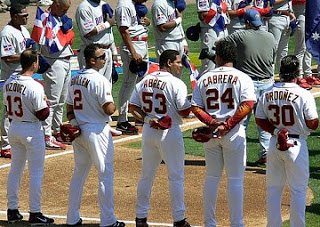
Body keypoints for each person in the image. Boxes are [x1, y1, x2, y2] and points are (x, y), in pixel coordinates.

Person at [191, 40, 255, 227]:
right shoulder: (242, 77)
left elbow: (195, 107)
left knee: (212, 178)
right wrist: (226, 125)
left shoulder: (204, 77)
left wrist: (212, 123)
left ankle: (209, 223)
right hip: (234, 134)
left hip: (211, 135)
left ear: (217, 56)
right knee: (235, 180)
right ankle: (237, 224)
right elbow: (247, 105)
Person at [128, 49, 191, 227]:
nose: (181, 66)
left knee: (146, 176)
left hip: (149, 131)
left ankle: (140, 218)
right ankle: (179, 219)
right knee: (176, 177)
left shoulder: (145, 80)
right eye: (178, 62)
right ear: (169, 63)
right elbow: (184, 112)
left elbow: (133, 106)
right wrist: (192, 104)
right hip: (170, 133)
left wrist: (148, 118)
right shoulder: (176, 83)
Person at [255, 55, 319, 227]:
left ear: (280, 72)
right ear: (297, 73)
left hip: (274, 144)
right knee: (298, 190)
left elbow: (260, 119)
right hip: (296, 145)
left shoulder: (268, 93)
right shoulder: (303, 95)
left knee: (274, 189)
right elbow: (313, 124)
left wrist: (276, 130)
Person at [66, 43, 125, 227]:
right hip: (97, 131)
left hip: (79, 132)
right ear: (92, 60)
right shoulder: (100, 80)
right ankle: (108, 221)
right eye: (101, 57)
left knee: (79, 175)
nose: (105, 59)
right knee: (105, 175)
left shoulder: (74, 79)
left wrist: (75, 123)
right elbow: (108, 109)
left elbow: (69, 108)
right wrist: (115, 106)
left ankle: (72, 218)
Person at [4, 49, 54, 225]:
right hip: (31, 131)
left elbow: (6, 107)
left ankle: (12, 210)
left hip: (14, 127)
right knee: (36, 173)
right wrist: (47, 104)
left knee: (15, 170)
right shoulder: (34, 86)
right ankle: (35, 213)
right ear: (35, 64)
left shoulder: (9, 82)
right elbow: (42, 114)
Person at [222, 8, 276, 165]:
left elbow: (222, 46)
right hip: (267, 83)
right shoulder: (270, 36)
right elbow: (272, 58)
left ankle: (239, 156)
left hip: (248, 85)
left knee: (241, 122)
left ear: (246, 22)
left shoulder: (240, 35)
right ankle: (266, 154)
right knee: (264, 121)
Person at [37, 0, 73, 150]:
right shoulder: (46, 19)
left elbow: (69, 34)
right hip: (54, 63)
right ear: (56, 5)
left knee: (61, 101)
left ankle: (56, 131)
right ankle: (46, 136)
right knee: (51, 102)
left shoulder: (59, 17)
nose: (65, 13)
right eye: (63, 9)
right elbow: (48, 40)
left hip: (66, 61)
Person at [0, 3, 30, 158]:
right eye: (24, 16)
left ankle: (17, 140)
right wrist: (26, 56)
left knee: (23, 108)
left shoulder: (23, 30)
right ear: (14, 16)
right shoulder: (7, 33)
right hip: (11, 76)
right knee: (9, 110)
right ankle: (5, 144)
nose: (27, 18)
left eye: (27, 15)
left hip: (24, 76)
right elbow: (7, 57)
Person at [115, 0, 149, 135]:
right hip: (133, 47)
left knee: (142, 83)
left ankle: (139, 115)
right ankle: (122, 120)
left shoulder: (133, 5)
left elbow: (133, 25)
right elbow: (123, 31)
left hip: (141, 44)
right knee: (129, 83)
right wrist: (133, 52)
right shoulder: (124, 5)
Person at [76, 0, 118, 84]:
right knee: (92, 85)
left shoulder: (104, 5)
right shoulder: (84, 8)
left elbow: (108, 32)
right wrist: (107, 24)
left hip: (106, 51)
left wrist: (114, 51)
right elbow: (87, 32)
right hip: (93, 53)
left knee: (107, 86)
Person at [292, 0, 320, 89]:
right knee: (301, 47)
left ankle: (308, 74)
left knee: (309, 44)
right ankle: (299, 76)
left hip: (311, 11)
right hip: (300, 10)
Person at [196, 0, 229, 74]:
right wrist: (218, 14)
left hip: (223, 29)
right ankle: (202, 85)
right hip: (211, 31)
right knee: (209, 67)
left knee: (224, 64)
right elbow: (202, 15)